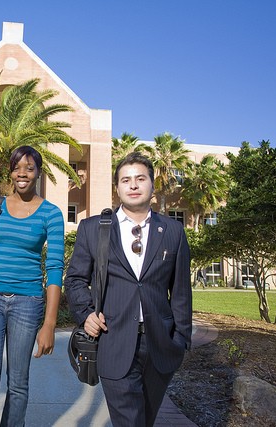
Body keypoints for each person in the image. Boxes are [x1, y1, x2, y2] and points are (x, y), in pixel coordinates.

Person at [65, 152, 192, 427]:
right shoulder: (93, 228)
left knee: (145, 420)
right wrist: (85, 313)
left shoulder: (173, 231)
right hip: (114, 341)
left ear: (152, 185)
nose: (133, 185)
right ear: (117, 187)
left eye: (140, 178)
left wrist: (180, 341)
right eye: (126, 180)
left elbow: (181, 291)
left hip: (161, 345)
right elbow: (75, 279)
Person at [0, 145, 64, 427]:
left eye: (29, 168)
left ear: (38, 173)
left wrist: (49, 324)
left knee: (18, 386)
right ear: (10, 171)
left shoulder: (51, 214)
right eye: (18, 167)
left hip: (28, 304)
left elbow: (54, 269)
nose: (23, 173)